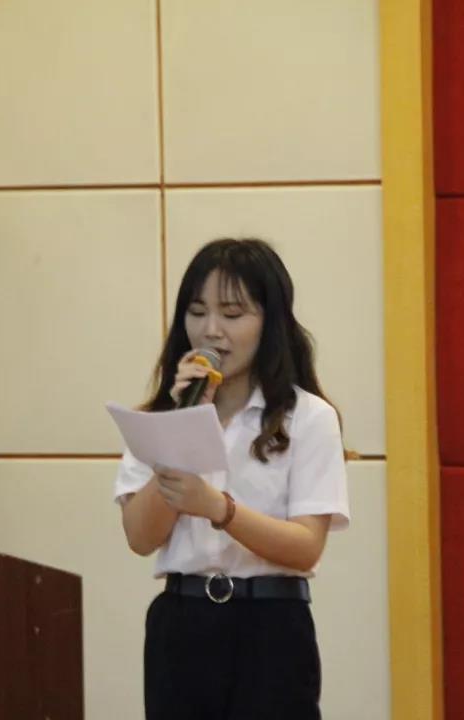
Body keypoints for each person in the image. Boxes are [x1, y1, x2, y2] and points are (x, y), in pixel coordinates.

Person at [114, 238, 350, 720]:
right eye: (197, 312)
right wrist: (184, 425)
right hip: (181, 626)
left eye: (232, 313)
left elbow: (306, 547)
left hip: (271, 628)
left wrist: (220, 509)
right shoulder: (162, 418)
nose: (211, 330)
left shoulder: (309, 418)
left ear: (270, 321)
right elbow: (140, 537)